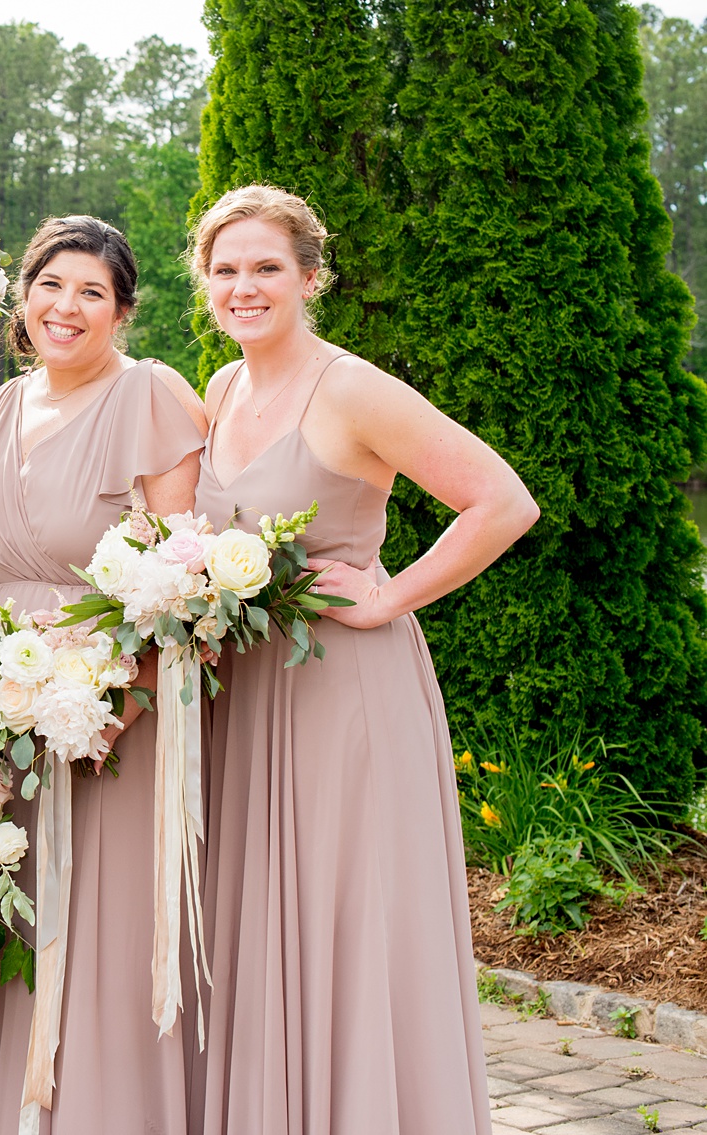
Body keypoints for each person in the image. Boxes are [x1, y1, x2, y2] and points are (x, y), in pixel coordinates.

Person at [187, 184, 537, 1135]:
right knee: (264, 931)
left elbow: (503, 501)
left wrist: (387, 596)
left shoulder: (350, 389)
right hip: (248, 695)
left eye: (267, 268)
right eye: (226, 269)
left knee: (349, 926)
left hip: (343, 695)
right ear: (204, 283)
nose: (245, 286)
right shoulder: (222, 390)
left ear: (309, 277)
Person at [0, 215, 208, 1135]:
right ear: (23, 297)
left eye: (91, 293)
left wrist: (120, 705)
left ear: (124, 311)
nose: (66, 308)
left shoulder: (148, 393)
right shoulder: (1, 404)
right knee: (13, 927)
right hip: (1, 712)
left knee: (103, 934)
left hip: (110, 717)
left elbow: (182, 575)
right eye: (51, 286)